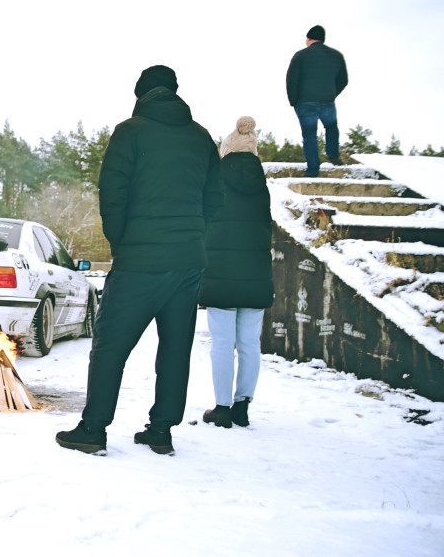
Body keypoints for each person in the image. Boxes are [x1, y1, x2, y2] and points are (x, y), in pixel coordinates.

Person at [56, 65, 223, 456]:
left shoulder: (129, 132)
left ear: (140, 95)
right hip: (187, 263)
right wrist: (193, 235)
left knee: (110, 345)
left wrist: (122, 241)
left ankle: (93, 429)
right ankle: (161, 431)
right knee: (175, 348)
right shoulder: (201, 138)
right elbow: (215, 199)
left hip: (139, 261)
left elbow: (111, 192)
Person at [198, 117, 275, 429]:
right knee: (249, 343)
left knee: (221, 344)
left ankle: (222, 407)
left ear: (226, 151)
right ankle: (243, 405)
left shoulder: (214, 181)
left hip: (220, 275)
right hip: (255, 274)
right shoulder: (262, 187)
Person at [285, 25, 349, 177]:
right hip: (327, 100)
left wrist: (294, 101)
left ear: (308, 39)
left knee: (309, 135)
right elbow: (343, 80)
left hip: (305, 102)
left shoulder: (300, 55)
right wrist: (332, 94)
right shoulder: (336, 55)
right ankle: (334, 156)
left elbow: (291, 80)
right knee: (332, 127)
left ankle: (313, 169)